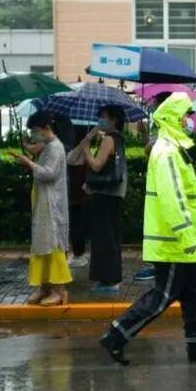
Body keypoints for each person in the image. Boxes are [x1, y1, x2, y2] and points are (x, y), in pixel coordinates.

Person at [99, 93, 196, 365]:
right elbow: (173, 198)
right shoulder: (167, 152)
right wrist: (185, 234)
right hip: (175, 243)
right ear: (172, 118)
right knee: (162, 296)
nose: (188, 121)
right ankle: (116, 335)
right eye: (185, 116)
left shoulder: (174, 149)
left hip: (186, 241)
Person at [11, 111, 72, 305]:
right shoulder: (47, 147)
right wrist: (30, 158)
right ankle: (44, 287)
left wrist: (29, 164)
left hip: (52, 205)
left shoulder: (55, 148)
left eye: (36, 131)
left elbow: (49, 173)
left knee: (53, 246)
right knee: (41, 246)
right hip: (43, 202)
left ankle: (59, 290)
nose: (35, 135)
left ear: (46, 128)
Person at [80, 105, 128, 292]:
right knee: (109, 236)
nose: (100, 120)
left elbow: (97, 165)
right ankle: (109, 278)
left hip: (104, 194)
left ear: (113, 120)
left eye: (103, 117)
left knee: (104, 238)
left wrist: (86, 148)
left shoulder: (109, 139)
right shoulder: (119, 139)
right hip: (114, 193)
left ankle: (109, 280)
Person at [132, 91, 174, 281]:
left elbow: (152, 149)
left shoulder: (170, 126)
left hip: (166, 184)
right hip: (158, 180)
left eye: (156, 103)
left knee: (162, 227)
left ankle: (160, 266)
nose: (153, 107)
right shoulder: (160, 126)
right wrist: (145, 134)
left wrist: (149, 141)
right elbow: (149, 150)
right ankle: (158, 264)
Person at [67, 126, 89, 268]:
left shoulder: (77, 151)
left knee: (76, 222)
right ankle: (78, 253)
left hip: (76, 192)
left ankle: (78, 253)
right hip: (79, 191)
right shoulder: (81, 150)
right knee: (77, 222)